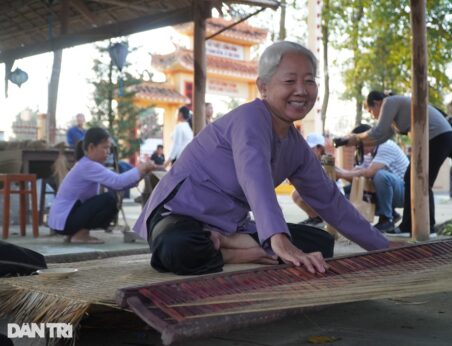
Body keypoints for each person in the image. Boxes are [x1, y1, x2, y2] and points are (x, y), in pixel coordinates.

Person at [134, 41, 397, 276]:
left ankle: (230, 244)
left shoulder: (296, 146)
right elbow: (254, 173)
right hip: (179, 216)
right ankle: (242, 250)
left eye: (309, 81)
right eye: (289, 81)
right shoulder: (251, 117)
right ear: (263, 87)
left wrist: (381, 245)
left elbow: (329, 200)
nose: (301, 91)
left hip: (231, 228)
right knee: (178, 248)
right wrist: (278, 238)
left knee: (321, 243)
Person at [336, 91, 452, 235]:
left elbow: (377, 132)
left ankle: (425, 227)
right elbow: (380, 138)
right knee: (413, 180)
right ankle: (411, 227)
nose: (372, 115)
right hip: (436, 138)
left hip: (438, 137)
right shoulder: (395, 116)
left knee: (420, 182)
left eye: (371, 110)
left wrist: (352, 138)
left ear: (378, 103)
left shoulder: (389, 102)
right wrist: (353, 141)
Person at [48, 127, 155, 244]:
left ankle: (75, 234)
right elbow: (118, 182)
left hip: (63, 221)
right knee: (109, 201)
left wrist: (140, 174)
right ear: (91, 148)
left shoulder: (87, 164)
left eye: (109, 148)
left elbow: (118, 186)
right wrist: (140, 169)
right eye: (105, 147)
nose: (108, 151)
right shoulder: (88, 166)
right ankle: (80, 235)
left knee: (110, 198)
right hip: (65, 221)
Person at [335, 124, 409, 233]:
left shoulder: (385, 145)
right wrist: (337, 171)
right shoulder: (368, 153)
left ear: (367, 139)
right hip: (393, 192)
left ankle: (386, 219)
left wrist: (341, 173)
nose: (356, 147)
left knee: (380, 175)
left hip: (405, 193)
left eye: (357, 143)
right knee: (349, 190)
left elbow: (369, 173)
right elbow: (357, 176)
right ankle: (391, 213)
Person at [291, 133, 327, 226]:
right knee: (296, 194)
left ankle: (320, 219)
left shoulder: (326, 162)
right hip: (321, 194)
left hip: (330, 196)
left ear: (320, 149)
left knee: (301, 194)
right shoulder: (312, 161)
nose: (308, 151)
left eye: (311, 148)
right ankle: (314, 218)